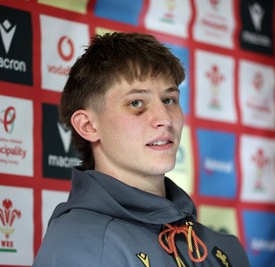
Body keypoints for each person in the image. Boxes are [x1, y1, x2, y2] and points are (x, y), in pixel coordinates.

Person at [33, 32, 249, 267]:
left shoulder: (225, 248)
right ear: (88, 126)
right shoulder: (81, 247)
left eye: (169, 100)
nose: (165, 119)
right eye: (136, 103)